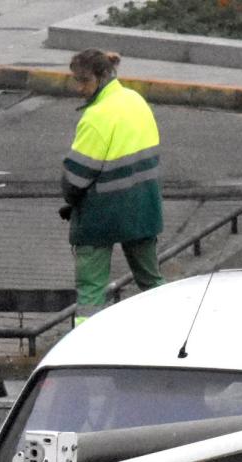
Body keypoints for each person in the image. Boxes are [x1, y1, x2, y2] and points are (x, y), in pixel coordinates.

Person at [59, 49, 165, 325]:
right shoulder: (136, 101)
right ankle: (170, 329)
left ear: (103, 76)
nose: (79, 88)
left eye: (84, 81)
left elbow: (76, 178)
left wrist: (70, 200)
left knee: (91, 294)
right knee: (153, 283)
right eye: (76, 80)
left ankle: (85, 342)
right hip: (143, 209)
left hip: (100, 216)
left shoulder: (96, 117)